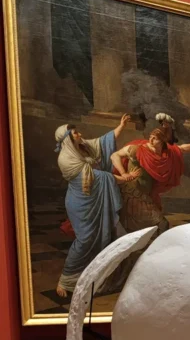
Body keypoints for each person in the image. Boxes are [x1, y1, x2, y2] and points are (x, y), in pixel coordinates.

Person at [54, 114, 133, 298]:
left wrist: (121, 126)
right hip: (81, 203)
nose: (79, 134)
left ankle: (98, 277)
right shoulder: (65, 159)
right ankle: (65, 280)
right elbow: (97, 177)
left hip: (96, 198)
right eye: (75, 133)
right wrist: (124, 178)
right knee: (85, 240)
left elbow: (103, 142)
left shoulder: (83, 146)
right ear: (67, 139)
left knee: (109, 236)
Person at [110, 128, 190, 233]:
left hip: (144, 196)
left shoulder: (166, 154)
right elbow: (115, 155)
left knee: (156, 226)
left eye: (155, 139)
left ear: (162, 142)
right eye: (151, 137)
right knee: (154, 226)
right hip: (131, 194)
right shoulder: (136, 150)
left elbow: (182, 149)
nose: (151, 140)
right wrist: (124, 173)